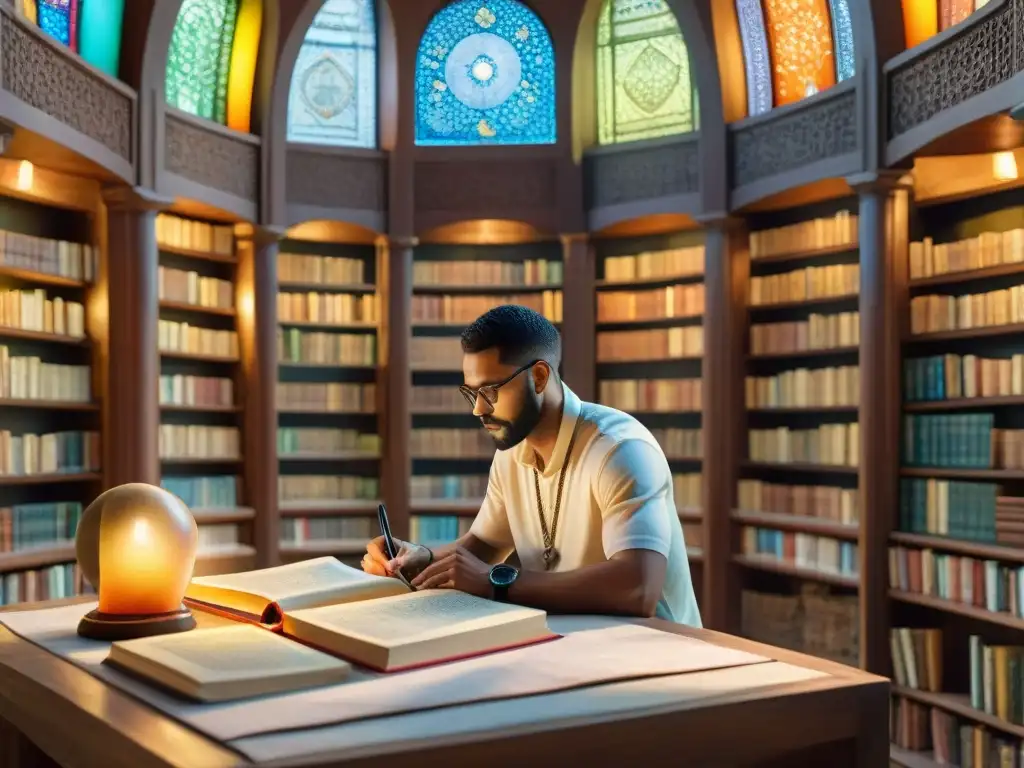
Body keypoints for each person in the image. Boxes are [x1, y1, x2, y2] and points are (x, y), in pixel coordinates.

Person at [362, 304, 702, 626]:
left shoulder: (620, 450)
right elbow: (482, 547)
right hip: (574, 644)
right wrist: (418, 559)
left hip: (657, 648)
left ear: (539, 377)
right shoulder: (511, 452)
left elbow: (638, 587)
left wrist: (498, 583)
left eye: (491, 391)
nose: (478, 409)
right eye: (471, 393)